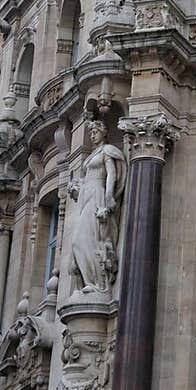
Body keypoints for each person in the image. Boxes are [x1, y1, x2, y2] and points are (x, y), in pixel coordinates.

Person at [68, 118, 126, 292]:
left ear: (104, 133)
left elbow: (111, 175)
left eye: (95, 132)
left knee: (86, 239)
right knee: (77, 241)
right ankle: (88, 282)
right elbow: (85, 178)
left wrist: (108, 199)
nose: (92, 136)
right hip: (86, 196)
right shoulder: (92, 154)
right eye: (91, 133)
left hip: (97, 195)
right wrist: (76, 187)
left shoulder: (107, 151)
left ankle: (97, 283)